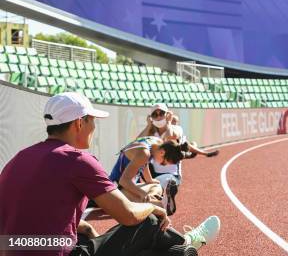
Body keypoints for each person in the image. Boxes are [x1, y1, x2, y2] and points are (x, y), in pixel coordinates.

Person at [0, 92, 220, 256]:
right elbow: (128, 215)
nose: (94, 126)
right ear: (79, 122)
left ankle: (183, 248)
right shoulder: (78, 161)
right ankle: (189, 243)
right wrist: (153, 207)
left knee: (88, 233)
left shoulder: (19, 158)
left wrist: (82, 227)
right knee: (150, 222)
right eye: (92, 120)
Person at [108, 135, 188, 216]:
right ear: (162, 152)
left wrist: (150, 180)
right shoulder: (144, 153)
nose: (161, 164)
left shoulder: (155, 142)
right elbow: (124, 181)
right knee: (144, 196)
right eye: (163, 163)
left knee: (157, 185)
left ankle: (155, 201)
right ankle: (161, 205)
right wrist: (143, 193)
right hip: (114, 192)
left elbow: (144, 163)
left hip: (125, 188)